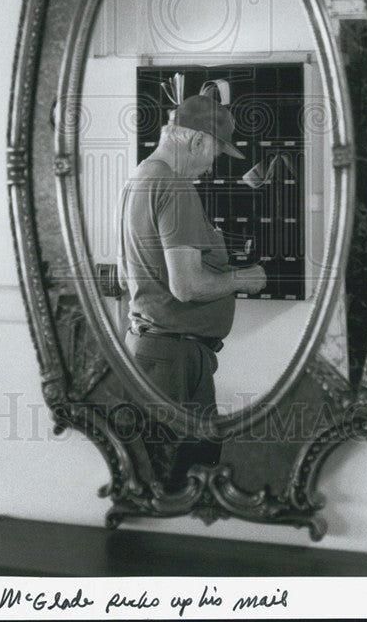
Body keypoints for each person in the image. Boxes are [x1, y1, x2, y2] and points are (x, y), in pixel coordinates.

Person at [116, 94, 267, 485]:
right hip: (175, 361)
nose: (212, 164)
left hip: (151, 352)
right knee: (185, 481)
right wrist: (243, 279)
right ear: (196, 141)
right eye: (214, 152)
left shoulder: (140, 177)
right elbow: (186, 286)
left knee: (158, 477)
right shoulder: (175, 187)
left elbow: (128, 274)